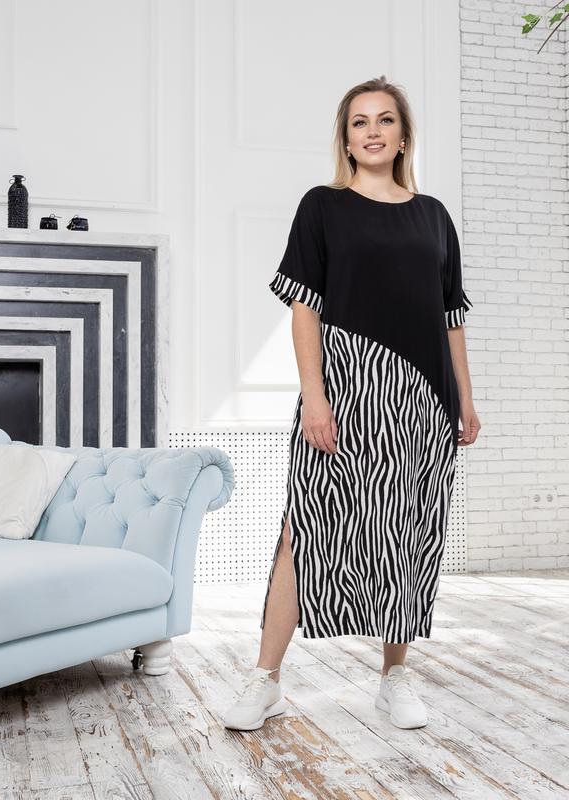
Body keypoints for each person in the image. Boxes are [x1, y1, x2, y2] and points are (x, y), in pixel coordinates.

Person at [222, 75, 481, 732]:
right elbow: (303, 309)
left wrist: (466, 400)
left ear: (403, 135)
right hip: (342, 387)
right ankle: (265, 679)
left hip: (423, 398)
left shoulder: (434, 216)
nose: (372, 131)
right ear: (345, 138)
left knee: (408, 530)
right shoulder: (323, 206)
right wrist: (314, 397)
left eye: (385, 119)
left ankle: (394, 676)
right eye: (359, 121)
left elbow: (450, 316)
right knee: (303, 529)